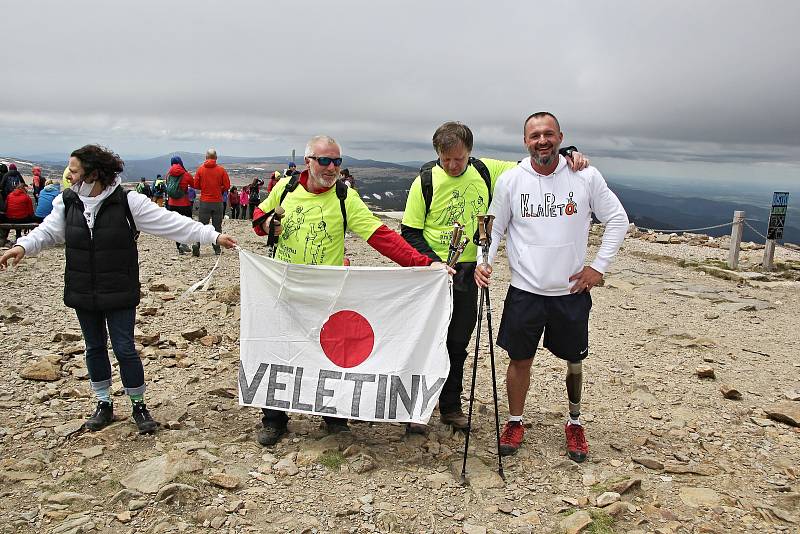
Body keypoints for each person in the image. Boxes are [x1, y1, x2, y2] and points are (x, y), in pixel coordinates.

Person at [0, 144, 237, 435]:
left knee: (124, 348)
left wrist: (211, 234)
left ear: (93, 173)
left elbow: (171, 224)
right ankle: (103, 404)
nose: (68, 175)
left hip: (119, 288)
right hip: (83, 287)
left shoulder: (127, 201)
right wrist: (22, 246)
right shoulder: (68, 201)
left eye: (74, 170)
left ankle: (138, 405)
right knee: (94, 347)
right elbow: (48, 230)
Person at [251, 134, 451, 447]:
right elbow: (259, 216)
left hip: (329, 293)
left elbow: (380, 235)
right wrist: (267, 227)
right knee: (283, 348)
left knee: (332, 353)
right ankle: (274, 419)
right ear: (309, 161)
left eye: (337, 161)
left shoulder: (345, 197)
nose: (331, 168)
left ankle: (334, 419)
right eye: (324, 161)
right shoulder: (286, 187)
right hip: (286, 287)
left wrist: (425, 265)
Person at [400, 121, 587, 433]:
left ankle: (449, 406)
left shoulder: (486, 170)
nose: (452, 165)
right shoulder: (425, 180)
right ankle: (415, 409)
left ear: (470, 153)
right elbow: (409, 231)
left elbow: (534, 163)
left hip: (469, 272)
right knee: (424, 341)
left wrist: (566, 153)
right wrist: (432, 262)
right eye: (445, 159)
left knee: (457, 341)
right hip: (430, 272)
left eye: (458, 159)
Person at [475, 112, 628, 462]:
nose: (541, 141)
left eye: (548, 134)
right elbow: (495, 227)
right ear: (525, 141)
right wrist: (485, 262)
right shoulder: (512, 180)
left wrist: (598, 268)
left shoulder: (585, 175)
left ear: (560, 137)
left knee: (574, 359)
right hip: (525, 290)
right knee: (519, 359)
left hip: (571, 291)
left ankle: (575, 421)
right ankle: (515, 421)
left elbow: (617, 220)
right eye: (534, 136)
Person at [192, 148, 230, 256]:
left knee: (201, 225)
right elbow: (227, 185)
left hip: (204, 201)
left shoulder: (200, 169)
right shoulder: (221, 170)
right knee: (217, 226)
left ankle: (197, 244)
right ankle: (217, 248)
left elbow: (196, 185)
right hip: (217, 201)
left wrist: (204, 188)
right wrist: (220, 189)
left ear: (206, 157)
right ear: (216, 158)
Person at [165, 155, 194, 254]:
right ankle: (184, 243)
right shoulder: (186, 174)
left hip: (171, 204)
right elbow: (194, 184)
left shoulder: (168, 175)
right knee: (187, 223)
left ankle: (179, 247)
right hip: (184, 203)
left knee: (176, 225)